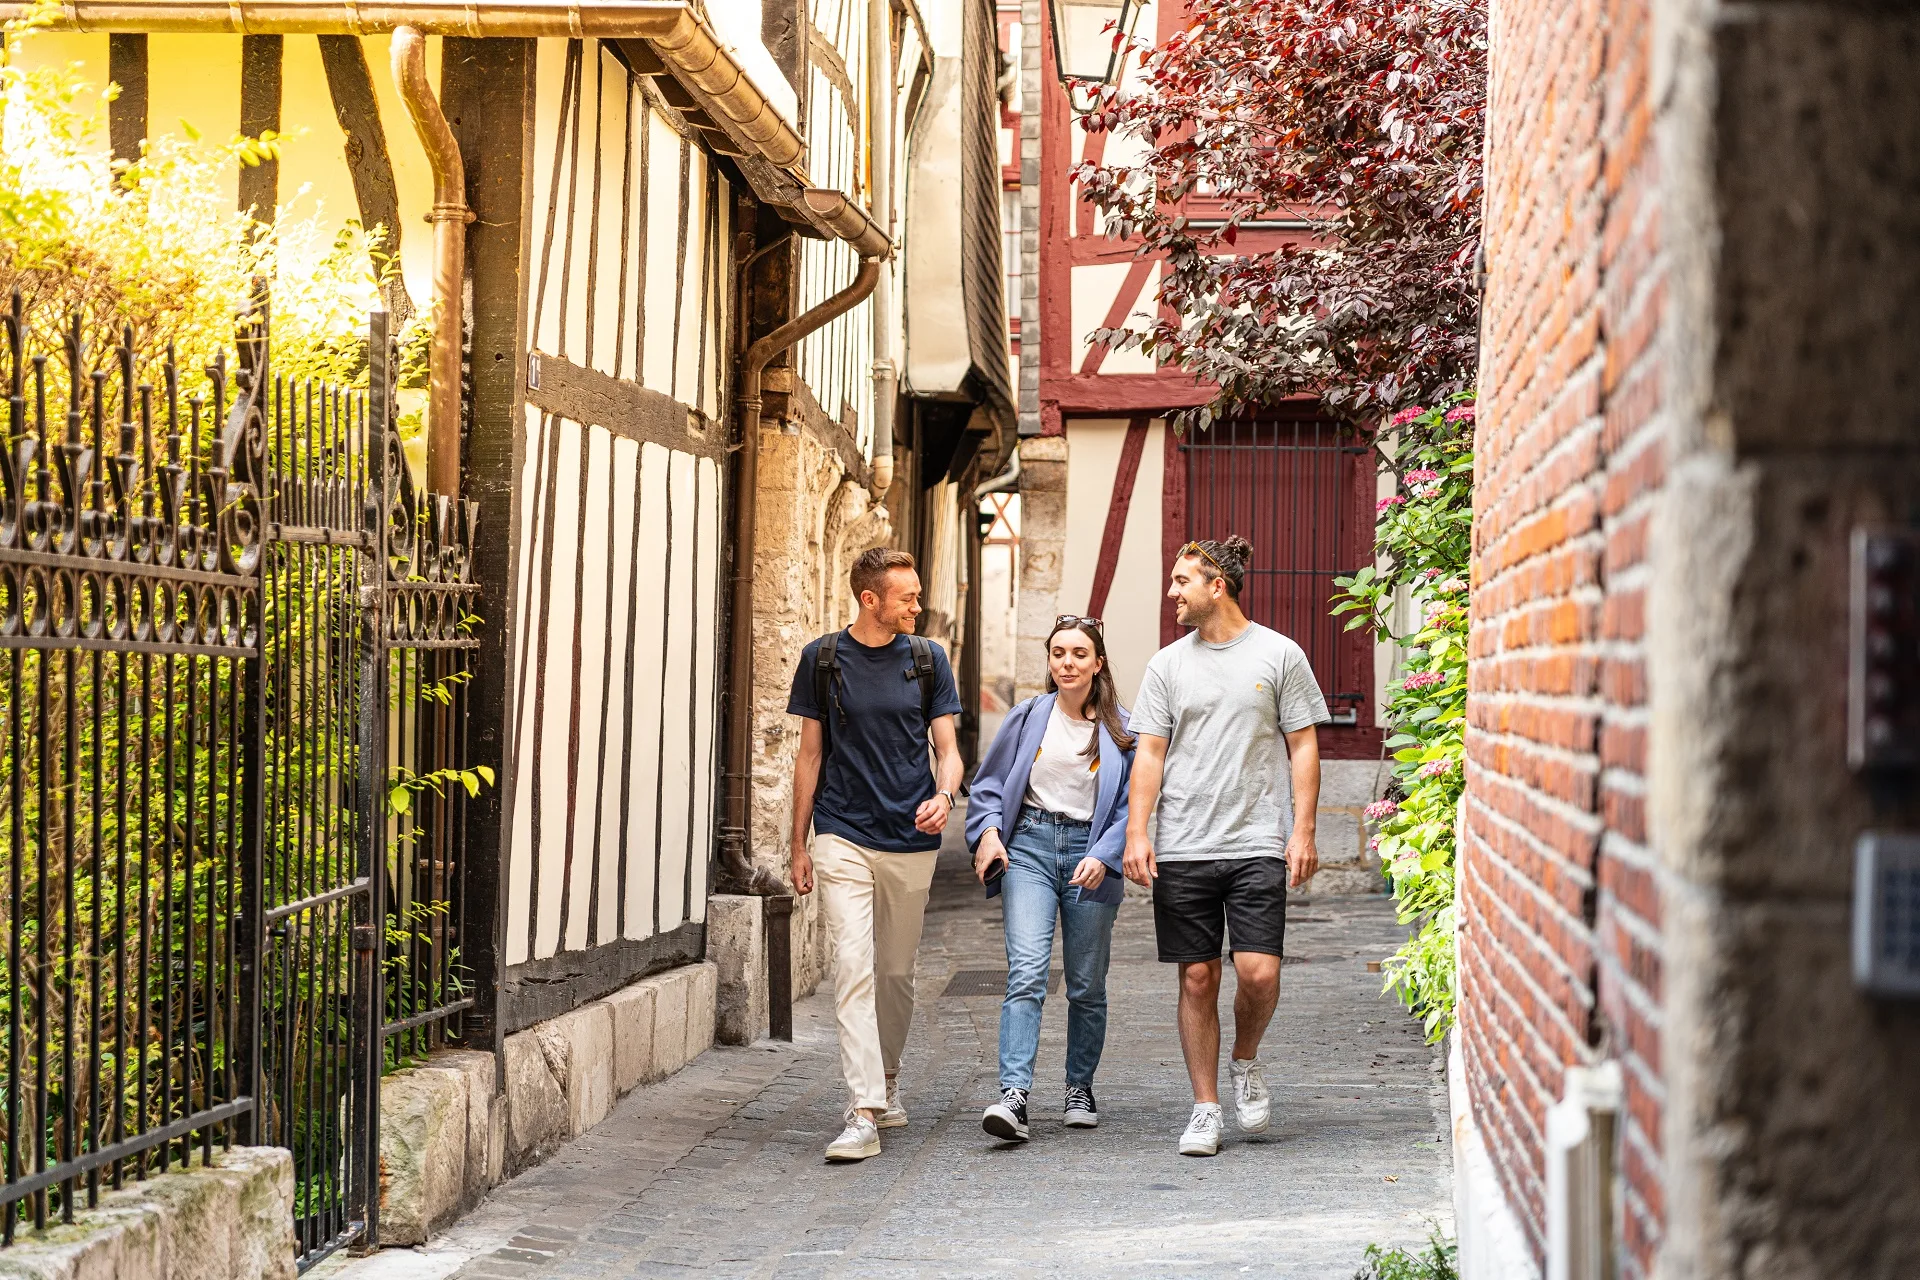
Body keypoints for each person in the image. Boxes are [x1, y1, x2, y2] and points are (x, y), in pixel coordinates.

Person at [1122, 535, 1329, 1157]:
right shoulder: (1167, 665)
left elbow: (1303, 743)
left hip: (1257, 837)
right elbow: (1150, 754)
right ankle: (1206, 1106)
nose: (1172, 592)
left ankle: (1245, 1059)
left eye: (1182, 580)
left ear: (1218, 586)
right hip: (1185, 842)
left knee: (1259, 972)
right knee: (1197, 977)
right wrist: (1138, 830)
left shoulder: (1280, 655)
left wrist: (1304, 828)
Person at [787, 548, 964, 1163]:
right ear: (871, 600)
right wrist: (799, 843)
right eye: (907, 597)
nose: (918, 605)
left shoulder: (927, 660)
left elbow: (949, 747)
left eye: (917, 594)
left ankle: (887, 1080)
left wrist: (945, 795)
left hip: (910, 836)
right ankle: (861, 1109)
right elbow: (809, 756)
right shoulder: (823, 659)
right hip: (842, 831)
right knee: (853, 965)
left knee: (894, 973)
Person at [966, 617, 1136, 1143]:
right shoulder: (1025, 718)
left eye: (1079, 654)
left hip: (1090, 854)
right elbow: (988, 785)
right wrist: (989, 833)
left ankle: (1079, 1088)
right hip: (1031, 849)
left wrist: (1107, 855)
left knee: (1086, 984)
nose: (1067, 663)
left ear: (1098, 663)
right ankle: (1013, 1096)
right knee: (1027, 973)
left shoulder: (1123, 730)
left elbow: (1137, 805)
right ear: (1049, 661)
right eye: (1058, 653)